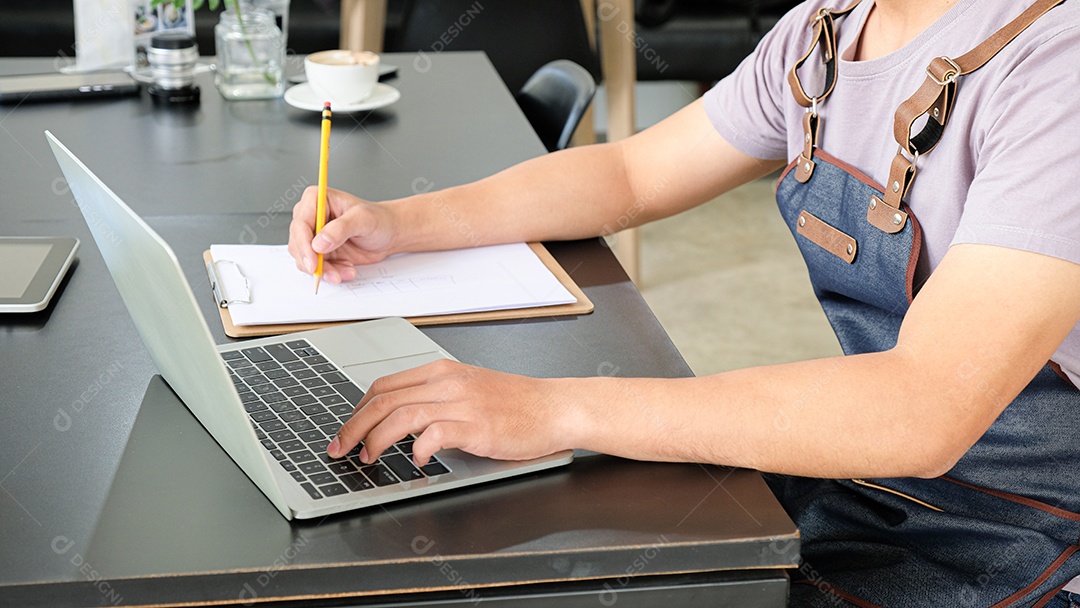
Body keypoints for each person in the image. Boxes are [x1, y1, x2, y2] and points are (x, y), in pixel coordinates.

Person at [288, 0, 1080, 604]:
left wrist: (556, 408)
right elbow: (630, 175)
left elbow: (920, 408)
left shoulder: (1057, 66)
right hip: (871, 476)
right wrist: (398, 223)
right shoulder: (825, 33)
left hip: (1031, 528)